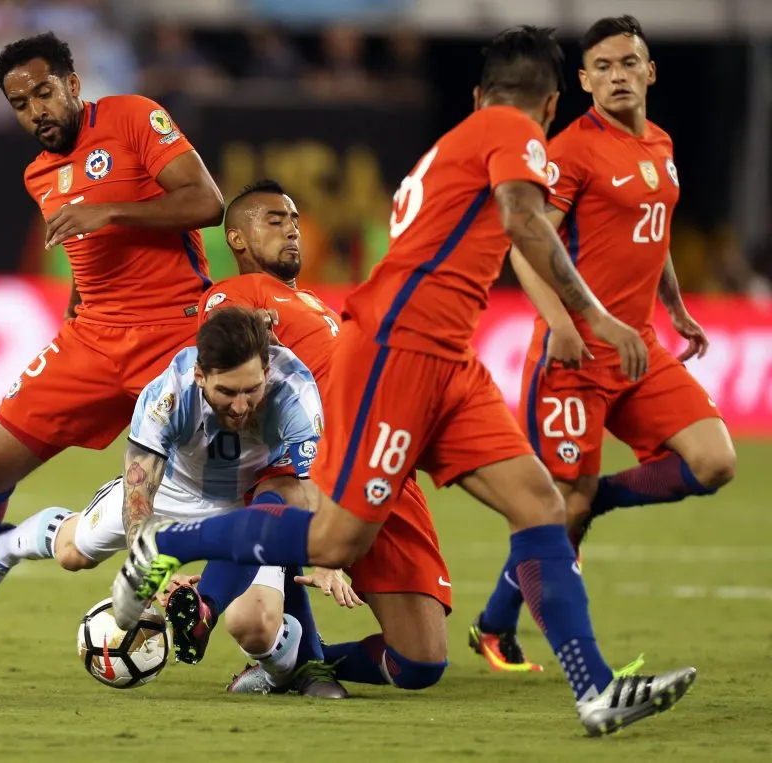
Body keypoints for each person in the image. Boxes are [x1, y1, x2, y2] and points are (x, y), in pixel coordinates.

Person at [110, 26, 698, 737]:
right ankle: (173, 547)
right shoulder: (511, 130)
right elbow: (522, 218)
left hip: (446, 356)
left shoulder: (455, 145)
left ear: (481, 93)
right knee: (330, 543)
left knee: (539, 505)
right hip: (400, 350)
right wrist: (597, 316)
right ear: (550, 107)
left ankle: (596, 690)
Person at [0, 32, 223, 676]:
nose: (36, 111)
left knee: (233, 483)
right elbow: (87, 255)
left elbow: (206, 202)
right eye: (20, 103)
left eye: (44, 92)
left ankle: (289, 646)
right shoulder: (36, 173)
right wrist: (78, 304)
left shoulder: (132, 116)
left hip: (176, 333)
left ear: (73, 84)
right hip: (94, 339)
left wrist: (110, 213)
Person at [471, 15, 736, 673]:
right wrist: (559, 321)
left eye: (629, 63)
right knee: (561, 515)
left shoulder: (661, 144)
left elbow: (653, 231)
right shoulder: (569, 151)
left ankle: (599, 496)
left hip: (639, 347)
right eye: (604, 67)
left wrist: (674, 305)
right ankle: (499, 628)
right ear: (584, 82)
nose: (618, 75)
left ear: (650, 72)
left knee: (714, 461)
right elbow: (526, 243)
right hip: (574, 358)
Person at [0, 307, 348, 697]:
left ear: (266, 372)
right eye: (226, 392)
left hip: (251, 502)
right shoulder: (168, 393)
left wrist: (329, 562)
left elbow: (313, 486)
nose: (242, 406)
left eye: (252, 391)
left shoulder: (294, 389)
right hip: (173, 492)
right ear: (200, 376)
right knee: (74, 554)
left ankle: (270, 664)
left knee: (255, 626)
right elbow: (140, 492)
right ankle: (5, 546)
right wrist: (151, 566)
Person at [166, 179, 451, 696]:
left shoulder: (315, 303)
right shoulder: (234, 294)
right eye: (274, 220)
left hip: (383, 459)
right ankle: (205, 608)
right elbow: (226, 349)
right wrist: (255, 332)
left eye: (295, 220)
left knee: (421, 661)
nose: (291, 229)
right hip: (310, 461)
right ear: (237, 238)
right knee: (283, 500)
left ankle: (303, 658)